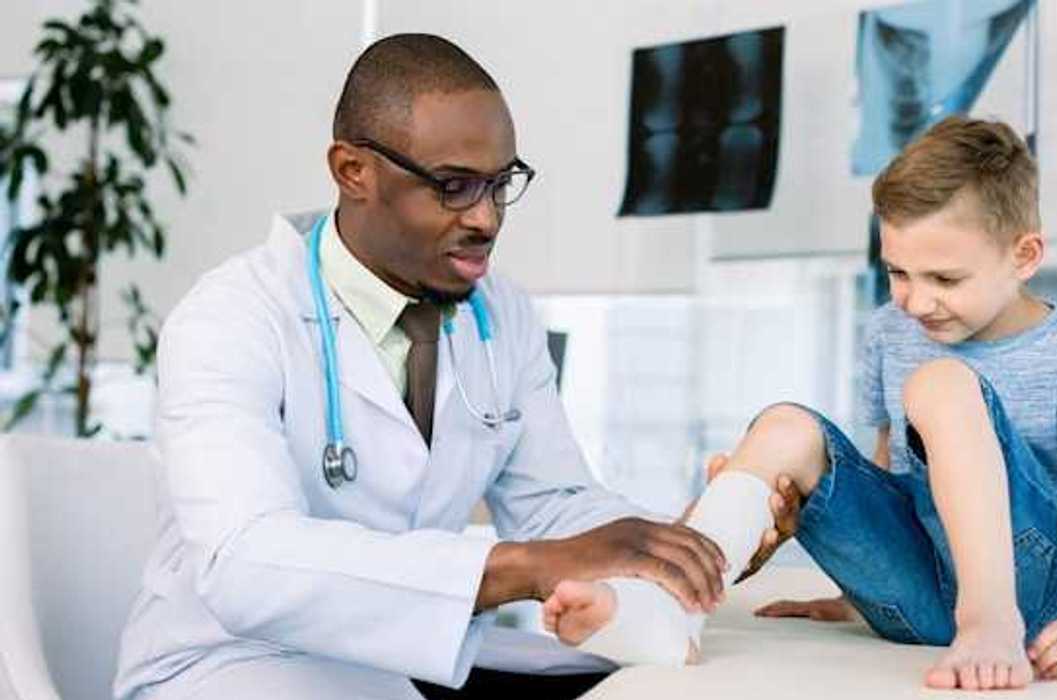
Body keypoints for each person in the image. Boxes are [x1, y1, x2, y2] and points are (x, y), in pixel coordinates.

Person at [113, 33, 798, 700]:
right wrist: (527, 567)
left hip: (409, 654)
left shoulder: (497, 311)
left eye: (501, 184)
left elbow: (551, 504)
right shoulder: (232, 318)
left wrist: (667, 544)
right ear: (353, 171)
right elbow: (245, 565)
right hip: (233, 663)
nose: (487, 219)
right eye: (453, 186)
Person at [542, 116, 1057, 692]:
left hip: (1027, 597)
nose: (916, 301)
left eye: (945, 280)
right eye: (898, 272)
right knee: (785, 425)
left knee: (940, 385)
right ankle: (669, 606)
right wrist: (858, 590)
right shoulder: (890, 331)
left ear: (1025, 256)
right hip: (924, 591)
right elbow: (887, 484)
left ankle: (988, 620)